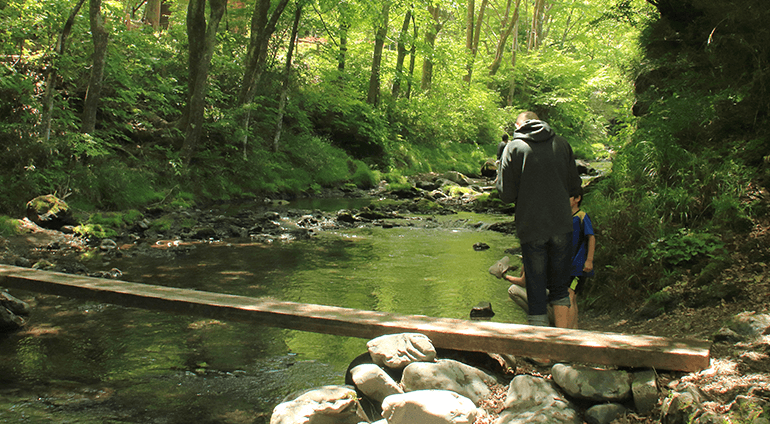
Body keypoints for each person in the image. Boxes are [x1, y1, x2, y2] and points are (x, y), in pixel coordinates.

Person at [495, 111, 582, 328]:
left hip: (531, 225)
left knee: (535, 287)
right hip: (562, 223)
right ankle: (561, 346)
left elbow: (506, 194)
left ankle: (542, 352)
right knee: (560, 289)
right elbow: (575, 186)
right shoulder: (562, 144)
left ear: (518, 125)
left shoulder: (513, 148)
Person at [568, 187, 595, 329]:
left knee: (570, 294)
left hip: (578, 266)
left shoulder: (582, 216)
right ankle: (575, 328)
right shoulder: (565, 218)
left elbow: (591, 237)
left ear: (577, 198)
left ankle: (569, 331)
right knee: (572, 296)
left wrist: (589, 260)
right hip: (567, 266)